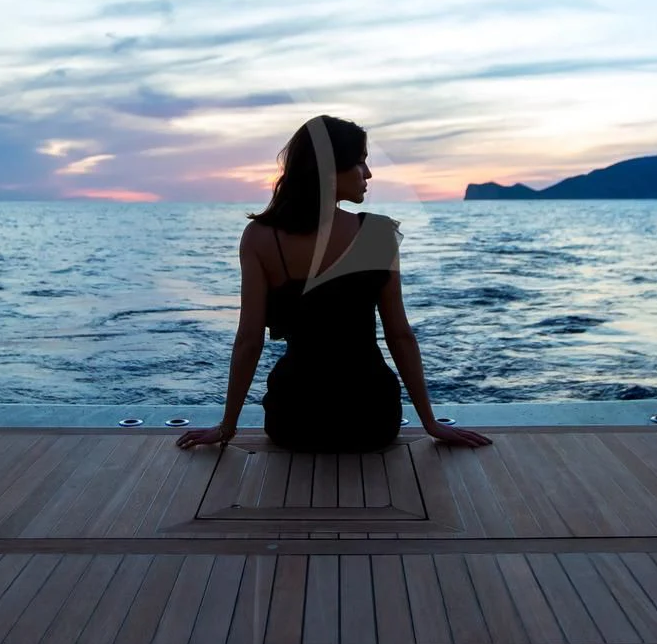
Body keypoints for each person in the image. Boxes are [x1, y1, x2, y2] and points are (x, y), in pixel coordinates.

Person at [176, 115, 492, 453]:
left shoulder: (259, 237)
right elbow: (399, 335)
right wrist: (431, 423)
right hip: (371, 419)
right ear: (331, 169)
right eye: (360, 162)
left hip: (294, 420)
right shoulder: (377, 234)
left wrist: (227, 426)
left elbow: (249, 341)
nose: (368, 174)